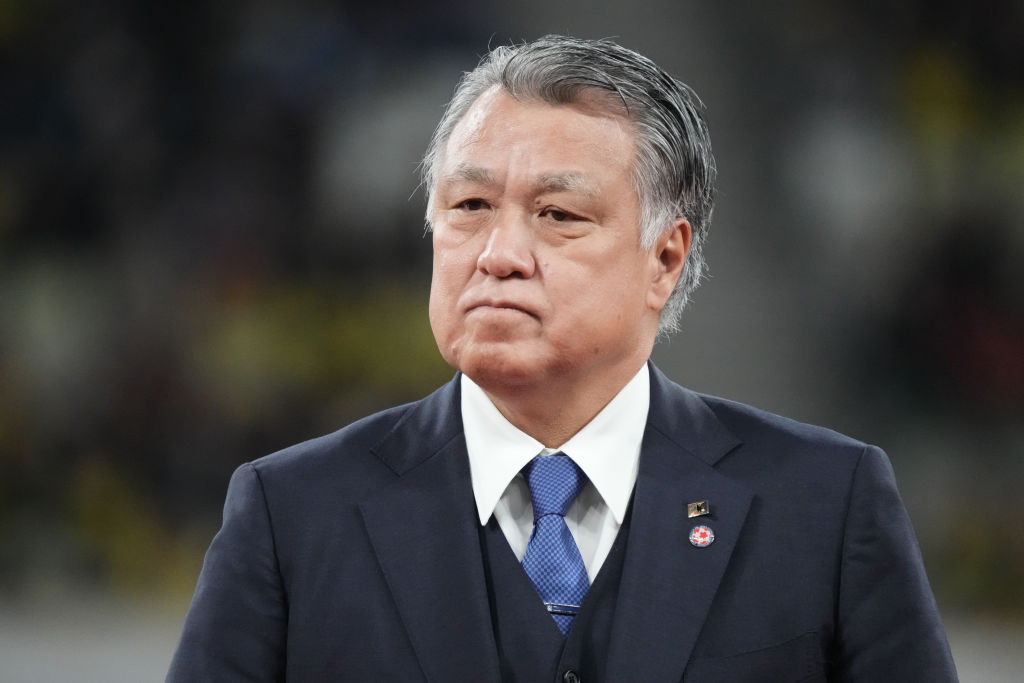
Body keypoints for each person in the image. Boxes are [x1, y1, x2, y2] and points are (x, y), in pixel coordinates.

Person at [166, 35, 958, 682]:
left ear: (664, 258)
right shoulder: (290, 515)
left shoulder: (825, 506)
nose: (499, 254)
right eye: (470, 206)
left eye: (558, 213)